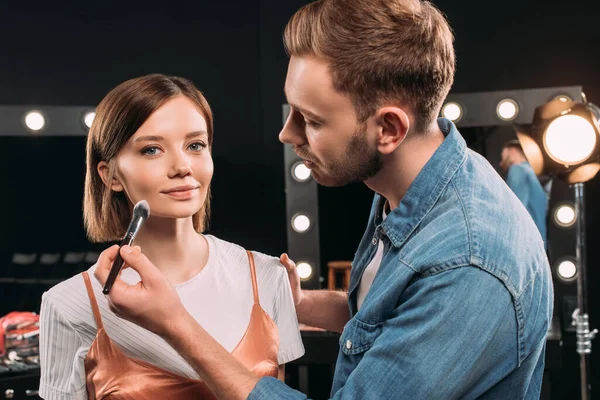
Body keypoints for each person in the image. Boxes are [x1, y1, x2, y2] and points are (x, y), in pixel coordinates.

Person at [94, 0, 553, 398]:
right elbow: (395, 315)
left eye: (311, 121)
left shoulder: (467, 265)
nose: (286, 133)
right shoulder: (412, 185)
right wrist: (303, 305)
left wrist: (176, 325)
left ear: (388, 129)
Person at [38, 74, 305, 399]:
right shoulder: (70, 304)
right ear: (110, 176)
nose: (182, 166)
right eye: (152, 150)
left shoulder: (267, 277)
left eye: (195, 145)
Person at [499, 139, 549, 245]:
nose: (500, 163)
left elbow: (514, 210)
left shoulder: (518, 169)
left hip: (523, 244)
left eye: (502, 156)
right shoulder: (532, 174)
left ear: (512, 151)